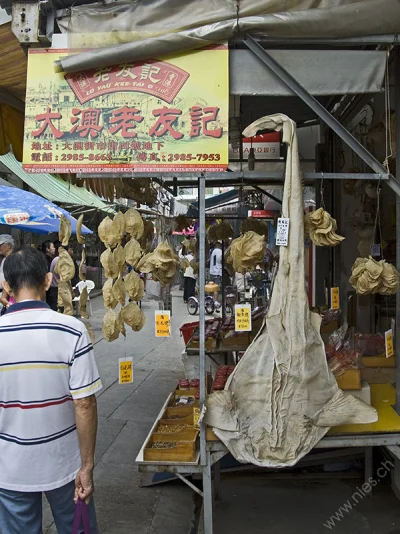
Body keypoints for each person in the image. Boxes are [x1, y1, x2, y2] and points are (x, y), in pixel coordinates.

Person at [0, 247, 102, 533]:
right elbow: (84, 404)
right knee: (77, 529)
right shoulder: (72, 330)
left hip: (10, 469)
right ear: (47, 280)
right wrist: (87, 467)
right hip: (66, 467)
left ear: (6, 286)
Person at [0, 235, 15, 314]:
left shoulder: (13, 260)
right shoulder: (4, 259)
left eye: (1, 245)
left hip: (8, 296)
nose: (0, 248)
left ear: (8, 246)